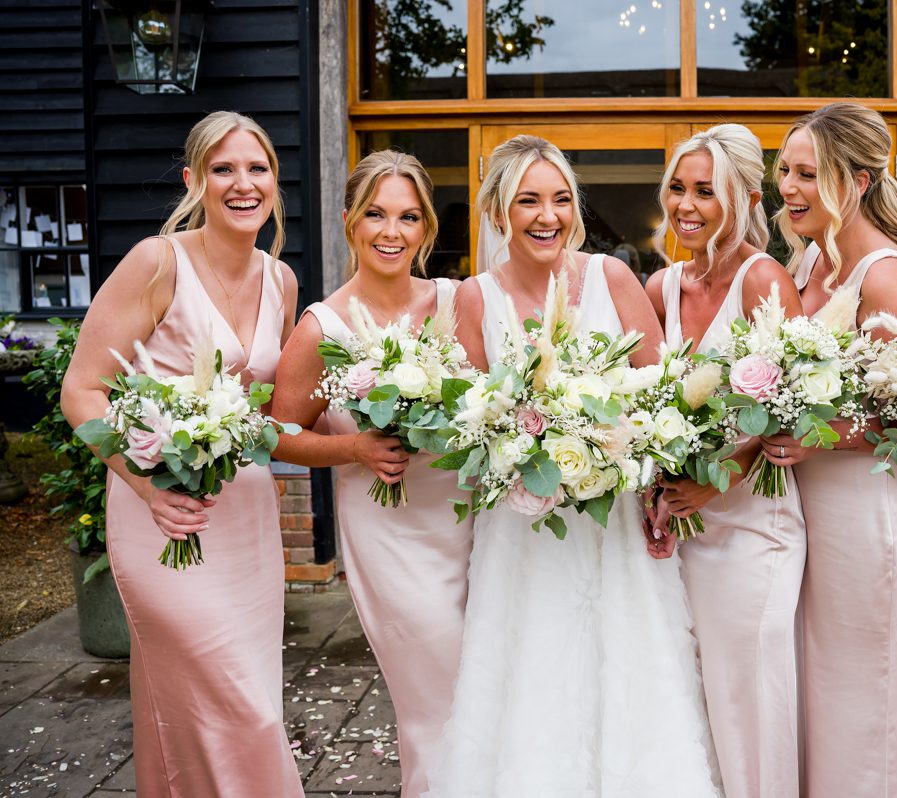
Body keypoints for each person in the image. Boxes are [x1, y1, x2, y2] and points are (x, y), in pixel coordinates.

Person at [423, 135, 721, 797]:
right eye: (528, 200)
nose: (546, 216)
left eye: (559, 199)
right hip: (521, 531)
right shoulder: (474, 298)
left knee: (626, 667)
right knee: (529, 671)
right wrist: (517, 444)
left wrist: (634, 463)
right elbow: (470, 420)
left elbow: (662, 392)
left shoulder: (610, 279)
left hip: (611, 520)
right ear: (499, 212)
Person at [60, 111, 303, 797]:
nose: (243, 183)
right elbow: (81, 391)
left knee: (221, 698)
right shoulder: (156, 263)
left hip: (244, 519)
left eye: (257, 169)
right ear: (195, 179)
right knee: (236, 703)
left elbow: (258, 404)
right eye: (224, 169)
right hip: (158, 513)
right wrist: (146, 486)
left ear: (275, 183)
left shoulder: (279, 281)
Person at [270, 150, 472, 797]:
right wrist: (354, 447)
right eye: (377, 215)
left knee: (481, 686)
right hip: (389, 530)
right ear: (351, 221)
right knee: (432, 697)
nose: (392, 231)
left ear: (426, 229)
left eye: (408, 217)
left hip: (468, 520)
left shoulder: (456, 301)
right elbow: (279, 432)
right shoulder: (321, 326)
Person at [761, 102, 897, 798]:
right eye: (786, 171)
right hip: (812, 513)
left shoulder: (887, 275)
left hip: (873, 515)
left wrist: (821, 435)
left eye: (810, 174)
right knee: (823, 689)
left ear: (858, 182)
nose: (791, 188)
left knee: (871, 695)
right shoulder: (808, 259)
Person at [645, 123, 808, 798]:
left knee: (751, 688)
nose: (686, 205)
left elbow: (796, 411)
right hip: (683, 533)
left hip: (754, 525)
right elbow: (645, 406)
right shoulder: (662, 288)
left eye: (705, 192)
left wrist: (719, 481)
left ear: (742, 196)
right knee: (699, 693)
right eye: (678, 189)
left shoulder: (763, 278)